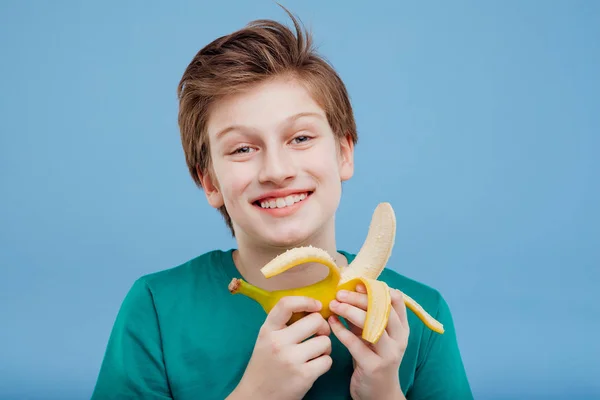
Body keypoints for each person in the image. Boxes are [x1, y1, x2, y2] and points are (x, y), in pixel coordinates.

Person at [91, 7, 473, 400]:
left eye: (301, 139)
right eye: (242, 148)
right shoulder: (156, 309)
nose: (276, 170)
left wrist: (384, 394)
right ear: (210, 182)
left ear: (343, 154)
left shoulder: (422, 317)